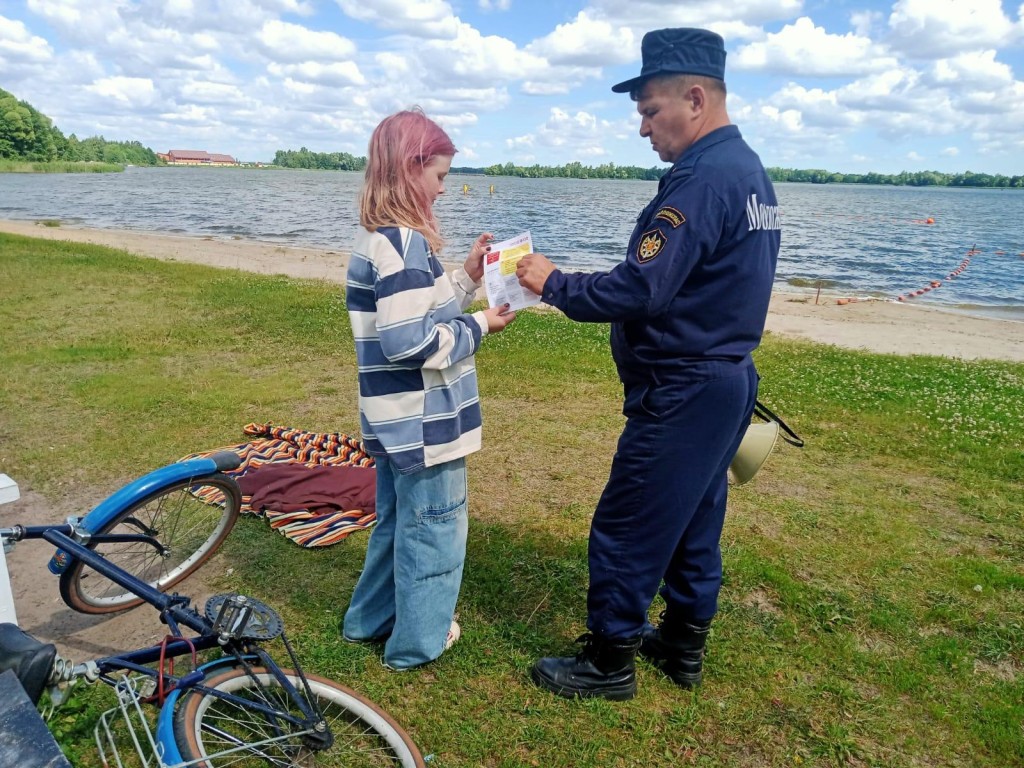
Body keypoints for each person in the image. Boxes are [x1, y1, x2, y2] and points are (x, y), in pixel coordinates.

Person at [516, 28, 780, 700]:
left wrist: (552, 282)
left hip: (686, 385)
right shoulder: (746, 168)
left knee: (630, 522)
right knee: (694, 517)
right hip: (722, 380)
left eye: (649, 110)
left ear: (695, 99)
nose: (642, 128)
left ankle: (608, 662)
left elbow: (641, 288)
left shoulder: (702, 178)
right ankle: (682, 644)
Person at [342, 108, 516, 670]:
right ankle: (418, 641)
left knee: (396, 523)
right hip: (425, 424)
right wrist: (482, 325)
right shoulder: (405, 244)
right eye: (439, 176)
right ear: (410, 168)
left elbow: (418, 312)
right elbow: (410, 342)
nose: (442, 190)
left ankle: (369, 619)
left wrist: (465, 276)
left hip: (392, 419)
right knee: (435, 531)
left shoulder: (379, 239)